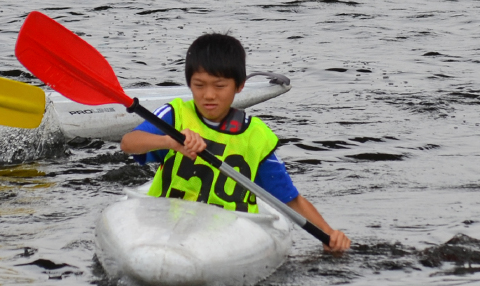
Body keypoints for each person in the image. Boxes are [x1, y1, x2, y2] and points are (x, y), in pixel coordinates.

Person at [120, 33, 351, 252]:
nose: (209, 95)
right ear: (189, 84)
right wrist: (169, 142)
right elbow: (129, 143)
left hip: (232, 233)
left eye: (219, 86)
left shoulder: (256, 136)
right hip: (169, 222)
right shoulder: (174, 115)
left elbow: (290, 198)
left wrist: (329, 234)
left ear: (239, 86)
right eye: (199, 85)